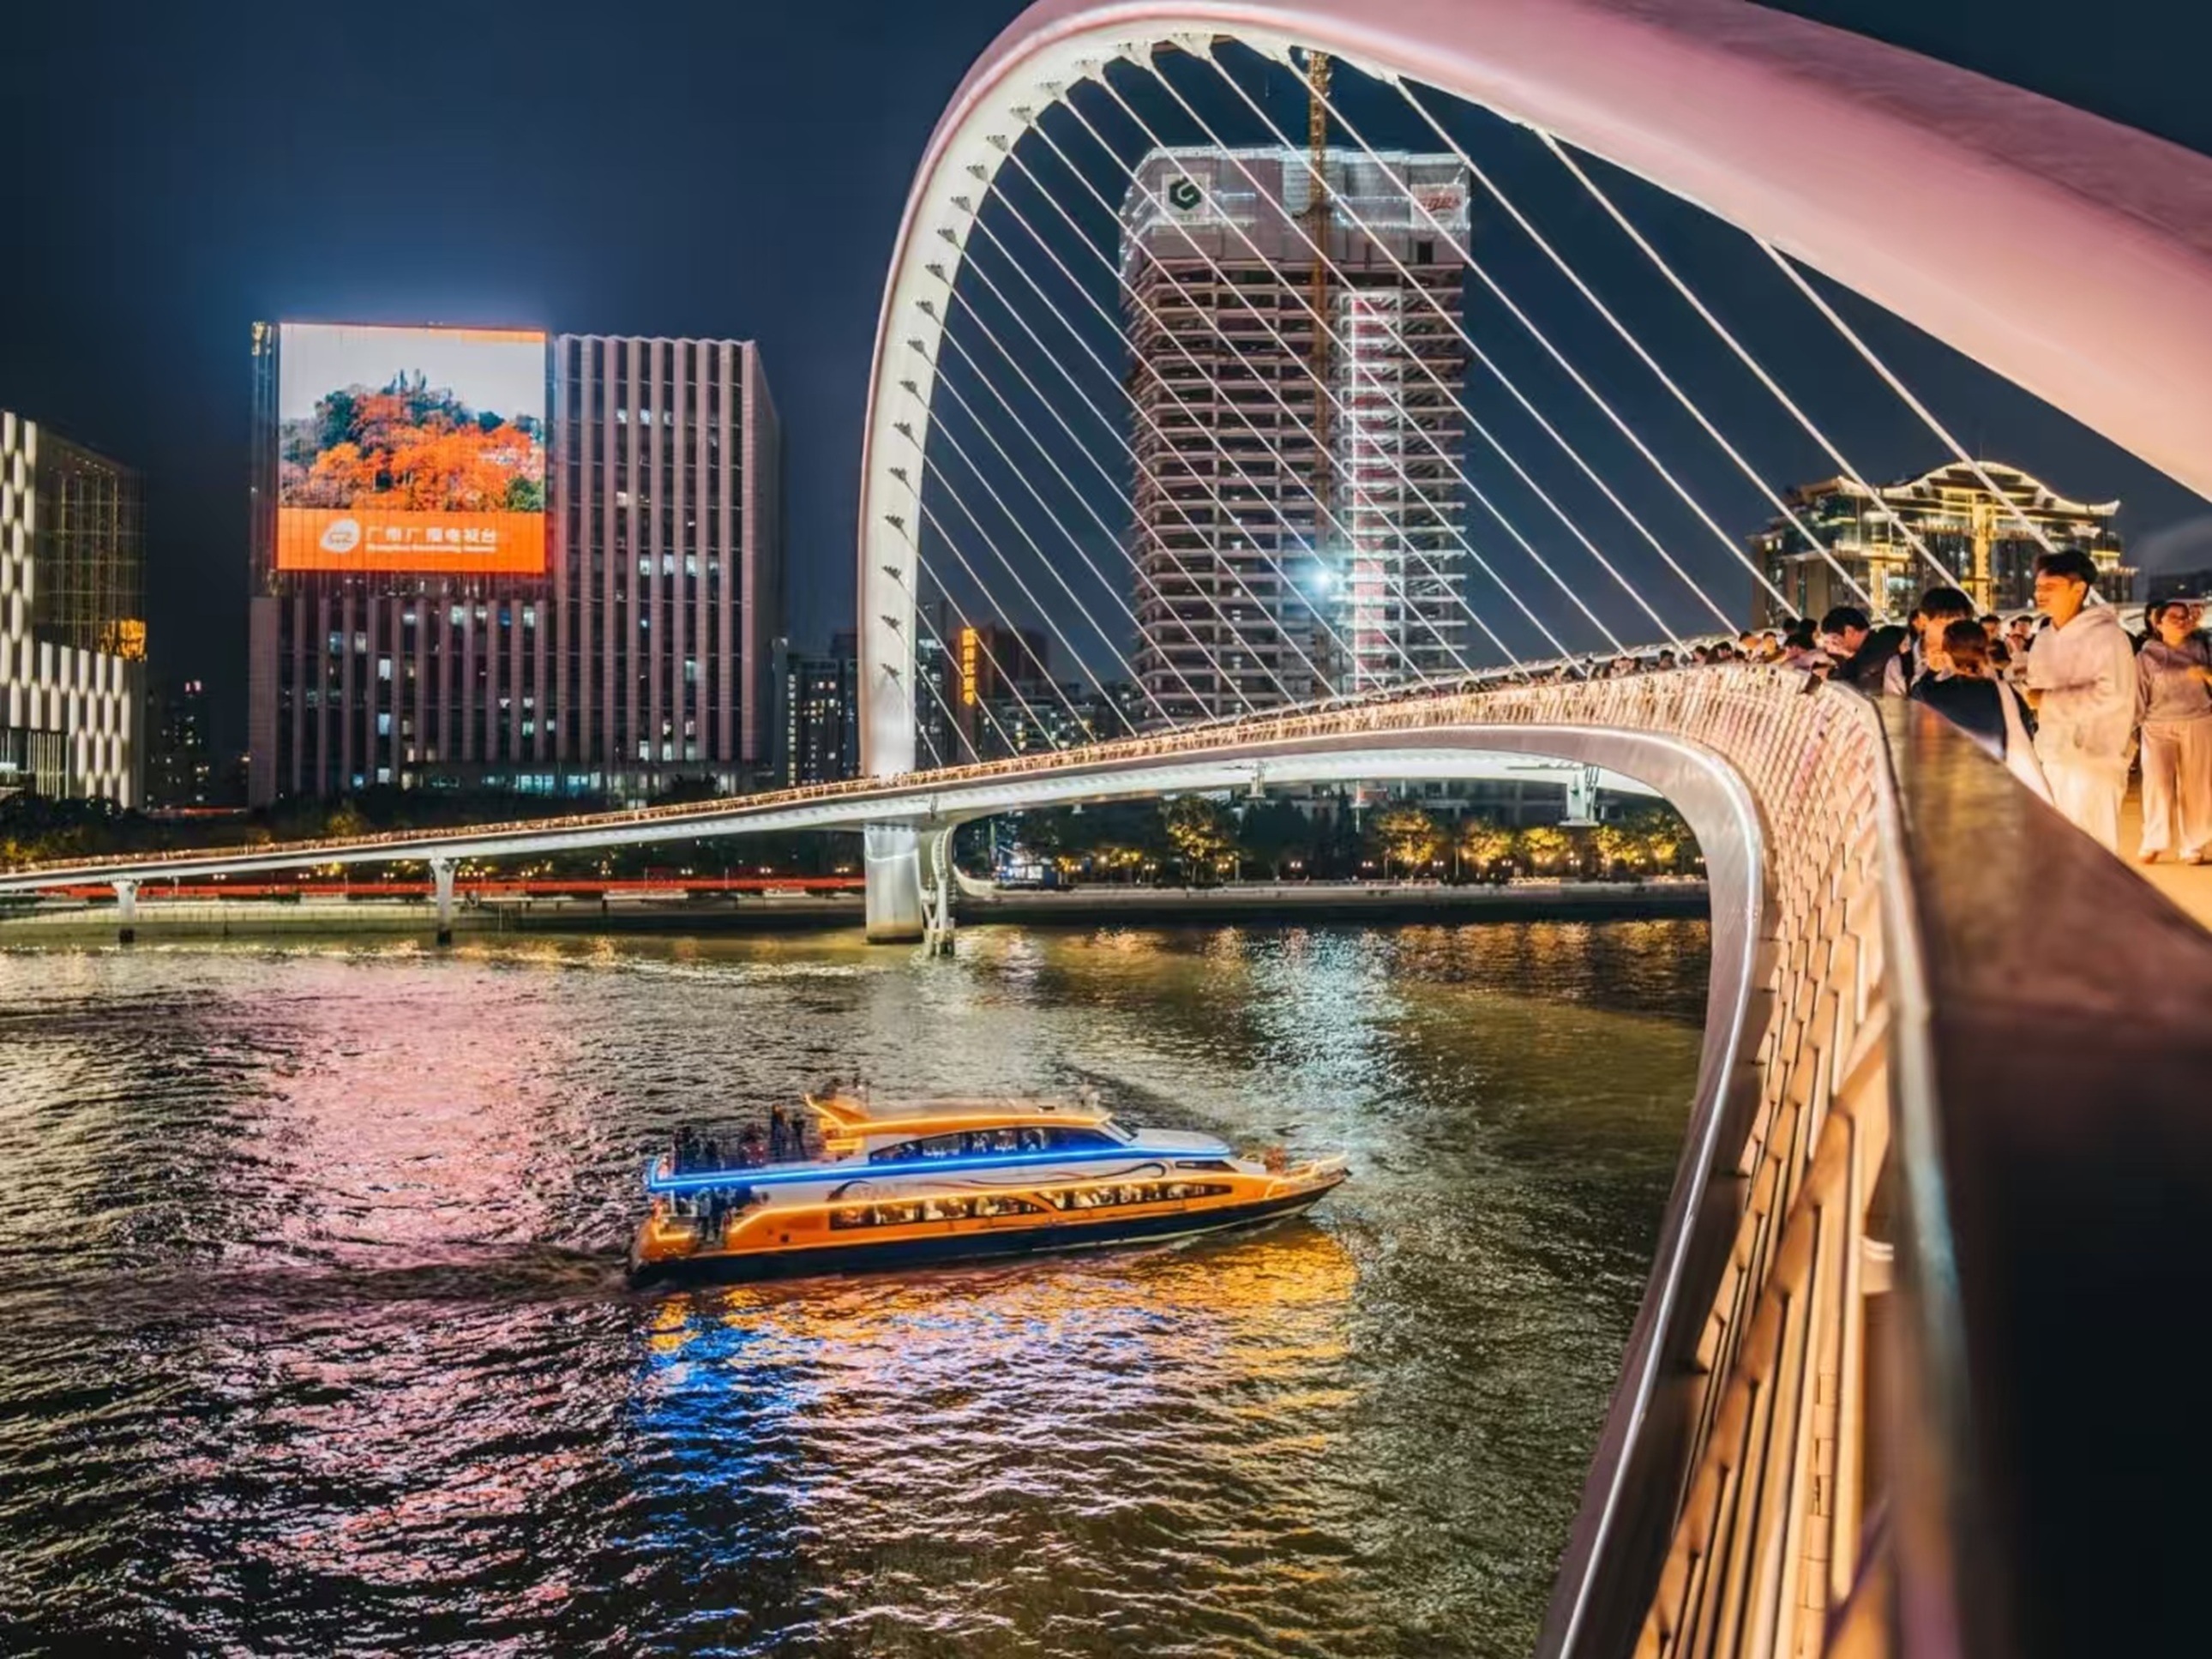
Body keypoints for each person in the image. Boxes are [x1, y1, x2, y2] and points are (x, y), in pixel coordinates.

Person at [2023, 549, 2138, 851]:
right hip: (2053, 756)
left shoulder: (2108, 636)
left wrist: (2047, 701)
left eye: (2051, 587)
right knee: (2056, 850)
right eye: (2038, 587)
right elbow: (2033, 688)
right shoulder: (2045, 637)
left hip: (2094, 760)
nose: (2040, 594)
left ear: (2079, 588)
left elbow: (2112, 694)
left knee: (2093, 850)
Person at [1910, 619, 2051, 801]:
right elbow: (2027, 732)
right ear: (1985, 651)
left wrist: (1932, 668)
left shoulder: (1929, 694)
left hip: (1947, 790)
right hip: (1997, 789)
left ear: (1947, 654)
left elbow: (1912, 701)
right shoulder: (2006, 692)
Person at [2134, 599, 2212, 863]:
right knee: (2157, 783)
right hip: (2156, 725)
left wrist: (2205, 673)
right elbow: (2137, 695)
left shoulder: (2203, 648)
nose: (2181, 620)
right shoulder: (2146, 657)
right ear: (2158, 623)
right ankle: (2154, 840)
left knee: (2197, 785)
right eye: (2174, 617)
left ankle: (2194, 844)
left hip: (2198, 721)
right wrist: (2129, 730)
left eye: (2184, 616)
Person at [1885, 586, 1977, 694]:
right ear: (1923, 620)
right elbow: (1895, 710)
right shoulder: (1900, 666)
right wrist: (1931, 674)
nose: (1953, 632)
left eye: (1959, 625)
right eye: (1944, 624)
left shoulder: (1975, 661)